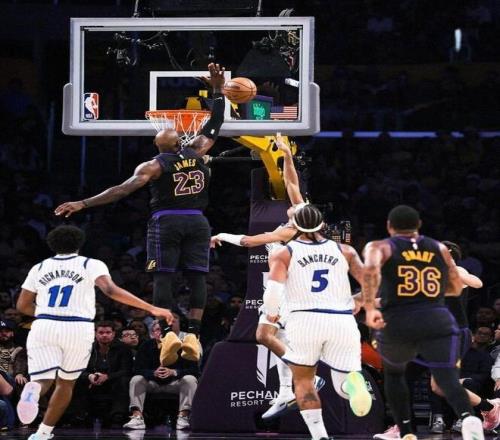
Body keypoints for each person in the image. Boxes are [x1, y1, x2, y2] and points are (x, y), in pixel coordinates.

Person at [54, 63, 226, 367]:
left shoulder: (153, 166)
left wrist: (83, 203)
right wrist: (216, 90)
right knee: (198, 276)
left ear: (159, 147)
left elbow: (120, 190)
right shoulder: (198, 149)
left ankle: (167, 334)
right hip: (198, 220)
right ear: (181, 142)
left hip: (167, 220)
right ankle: (194, 334)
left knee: (163, 275)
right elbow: (215, 122)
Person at [15, 225, 174, 440]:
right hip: (77, 326)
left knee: (42, 379)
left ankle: (33, 393)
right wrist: (151, 308)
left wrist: (48, 313)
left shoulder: (39, 267)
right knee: (66, 382)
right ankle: (42, 433)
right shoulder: (90, 264)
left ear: (52, 245)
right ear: (80, 243)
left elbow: (22, 306)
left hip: (44, 325)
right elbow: (110, 290)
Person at [212, 134, 328, 419]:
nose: (293, 201)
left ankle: (308, 377)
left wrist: (220, 235)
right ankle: (286, 391)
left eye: (296, 205)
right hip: (300, 291)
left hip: (289, 291)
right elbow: (292, 183)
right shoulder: (304, 220)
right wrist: (286, 154)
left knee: (267, 335)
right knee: (281, 338)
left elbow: (248, 241)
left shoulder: (288, 231)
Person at [362, 205, 484, 440]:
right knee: (417, 378)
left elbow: (477, 283)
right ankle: (404, 428)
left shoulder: (453, 268)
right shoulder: (425, 264)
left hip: (450, 330)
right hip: (430, 329)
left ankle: (482, 411)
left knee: (434, 382)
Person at [263, 203, 372, 440]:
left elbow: (272, 292)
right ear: (322, 223)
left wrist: (271, 313)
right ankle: (353, 384)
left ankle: (319, 435)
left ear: (295, 226)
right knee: (344, 385)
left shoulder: (284, 253)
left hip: (304, 321)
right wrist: (359, 300)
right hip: (341, 320)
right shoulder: (345, 250)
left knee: (304, 381)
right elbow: (371, 283)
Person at [123, 317, 199, 431]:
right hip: (153, 383)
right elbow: (137, 369)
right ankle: (137, 417)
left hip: (175, 383)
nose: (162, 332)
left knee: (190, 379)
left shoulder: (182, 345)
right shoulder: (146, 346)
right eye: (158, 330)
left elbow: (194, 370)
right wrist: (153, 373)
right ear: (153, 333)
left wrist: (174, 372)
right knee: (136, 379)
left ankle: (183, 416)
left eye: (164, 329)